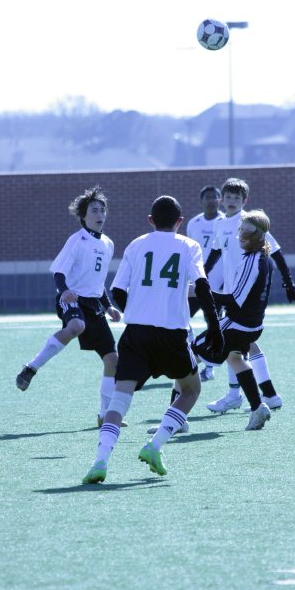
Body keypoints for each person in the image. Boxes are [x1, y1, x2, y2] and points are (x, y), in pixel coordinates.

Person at [82, 195, 224, 484]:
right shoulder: (189, 245)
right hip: (172, 333)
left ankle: (101, 459)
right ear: (180, 222)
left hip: (136, 334)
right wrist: (215, 328)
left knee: (119, 402)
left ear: (150, 220)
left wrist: (141, 304)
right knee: (190, 390)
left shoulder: (137, 244)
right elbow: (203, 287)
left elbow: (118, 293)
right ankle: (155, 445)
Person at [15, 186, 123, 428]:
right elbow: (59, 271)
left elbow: (98, 282)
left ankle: (104, 415)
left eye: (102, 210)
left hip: (94, 304)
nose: (99, 214)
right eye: (94, 210)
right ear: (83, 216)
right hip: (72, 299)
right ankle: (31, 368)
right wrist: (64, 291)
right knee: (76, 325)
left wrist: (108, 307)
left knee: (112, 360)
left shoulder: (108, 244)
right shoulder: (77, 240)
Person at [204, 177, 295, 415]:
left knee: (230, 343)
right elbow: (216, 252)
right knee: (243, 344)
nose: (231, 202)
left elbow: (275, 252)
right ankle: (267, 394)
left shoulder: (250, 222)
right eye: (227, 197)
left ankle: (238, 395)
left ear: (244, 201)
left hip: (244, 293)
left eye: (237, 198)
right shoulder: (220, 224)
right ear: (221, 199)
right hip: (230, 291)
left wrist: (288, 282)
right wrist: (202, 277)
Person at [193, 209, 274, 430]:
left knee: (191, 354)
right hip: (252, 325)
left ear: (258, 235)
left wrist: (200, 292)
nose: (240, 234)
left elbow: (234, 300)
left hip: (238, 324)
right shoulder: (262, 258)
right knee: (235, 358)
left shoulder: (254, 260)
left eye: (246, 230)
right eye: (240, 229)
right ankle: (258, 408)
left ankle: (175, 419)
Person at [186, 184, 225, 382]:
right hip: (196, 282)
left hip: (219, 286)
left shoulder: (226, 222)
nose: (211, 201)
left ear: (220, 200)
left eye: (214, 197)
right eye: (207, 197)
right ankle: (190, 354)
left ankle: (209, 367)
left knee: (214, 323)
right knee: (183, 317)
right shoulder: (194, 223)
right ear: (201, 201)